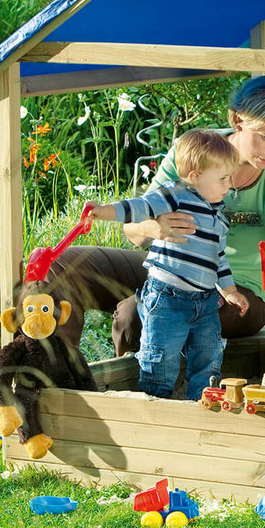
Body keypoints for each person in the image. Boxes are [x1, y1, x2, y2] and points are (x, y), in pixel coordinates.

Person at [38, 74, 265, 362]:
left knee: (138, 313)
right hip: (172, 269)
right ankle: (57, 378)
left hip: (243, 295)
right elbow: (134, 228)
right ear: (237, 119)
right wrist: (153, 227)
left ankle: (137, 399)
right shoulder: (195, 152)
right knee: (64, 265)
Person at [84, 129, 250, 399]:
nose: (229, 184)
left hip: (206, 303)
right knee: (161, 357)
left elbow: (218, 258)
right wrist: (102, 211)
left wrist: (229, 291)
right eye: (222, 178)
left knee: (208, 357)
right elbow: (138, 206)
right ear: (195, 177)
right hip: (167, 299)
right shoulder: (176, 195)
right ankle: (156, 402)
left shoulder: (218, 217)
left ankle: (201, 403)